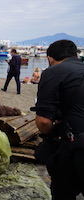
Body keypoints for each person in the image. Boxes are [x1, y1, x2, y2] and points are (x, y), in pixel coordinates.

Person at [35, 40, 84, 199]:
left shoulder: (54, 72)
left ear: (50, 58)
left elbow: (43, 121)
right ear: (75, 55)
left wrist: (50, 133)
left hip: (76, 144)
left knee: (63, 192)